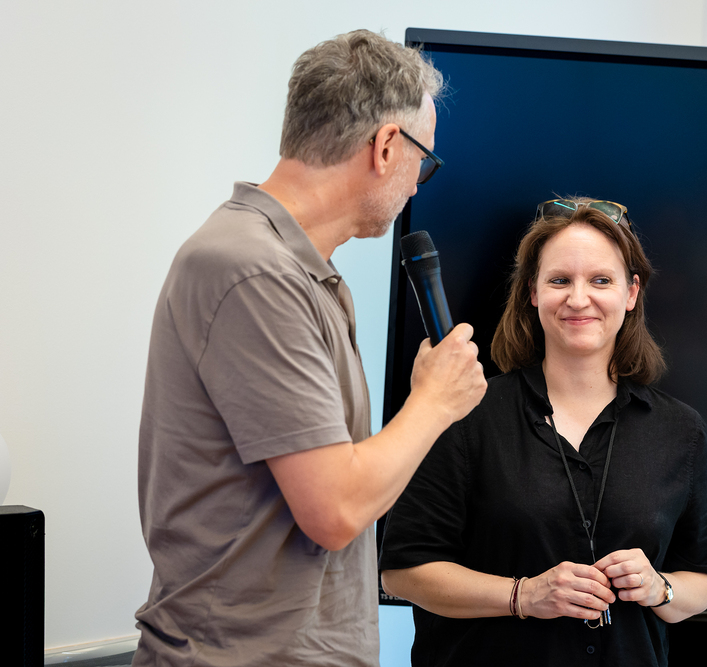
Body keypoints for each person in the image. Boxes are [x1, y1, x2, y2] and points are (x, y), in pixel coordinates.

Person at [132, 30, 487, 667]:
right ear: (386, 146)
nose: (416, 187)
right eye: (423, 162)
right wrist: (435, 401)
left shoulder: (304, 274)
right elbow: (337, 508)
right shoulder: (253, 271)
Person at [379, 199, 707, 666]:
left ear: (631, 292)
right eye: (560, 280)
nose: (578, 299)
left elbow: (703, 576)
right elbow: (403, 571)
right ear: (532, 291)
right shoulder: (464, 414)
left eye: (601, 280)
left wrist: (659, 587)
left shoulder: (682, 432)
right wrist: (524, 595)